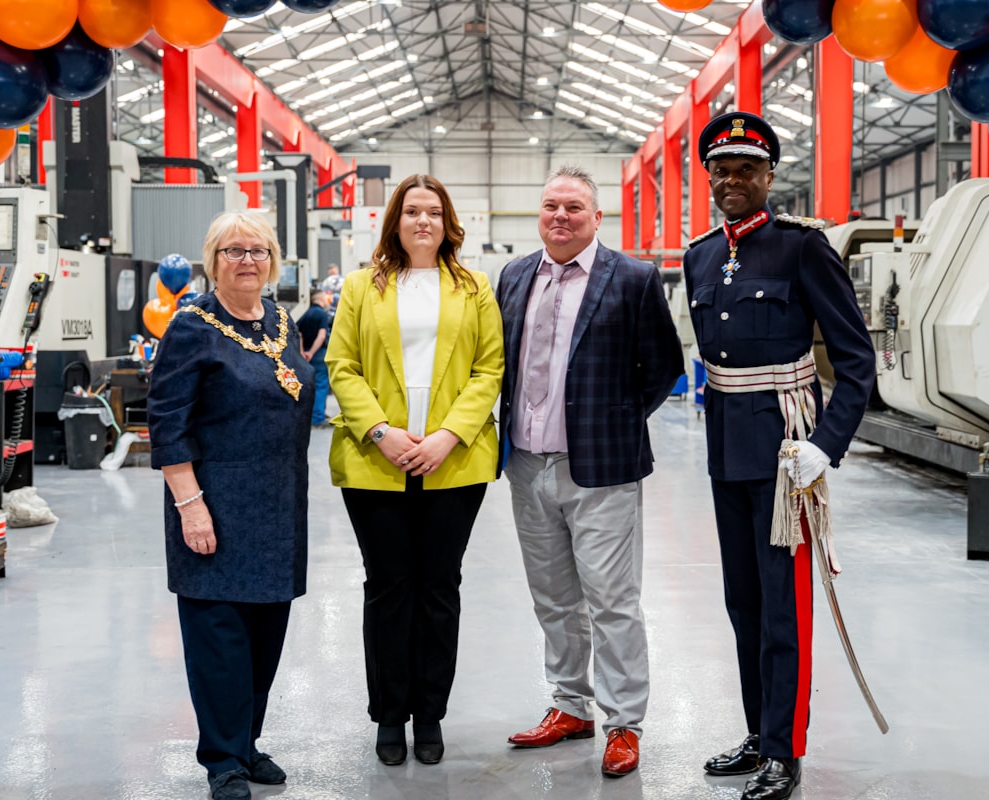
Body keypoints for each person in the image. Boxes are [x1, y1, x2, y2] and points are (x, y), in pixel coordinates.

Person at [682, 112, 875, 800]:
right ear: (708, 177)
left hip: (787, 454)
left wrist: (826, 447)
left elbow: (857, 361)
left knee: (783, 610)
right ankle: (761, 733)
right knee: (743, 604)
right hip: (725, 452)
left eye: (746, 169)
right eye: (721, 169)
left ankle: (786, 752)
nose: (732, 180)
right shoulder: (700, 255)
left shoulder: (802, 248)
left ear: (769, 177)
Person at [496, 165, 683, 778]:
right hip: (527, 465)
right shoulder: (515, 275)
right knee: (553, 598)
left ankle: (624, 721)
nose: (561, 217)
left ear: (596, 218)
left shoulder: (631, 278)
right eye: (551, 205)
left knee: (612, 601)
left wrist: (613, 422)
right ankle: (569, 705)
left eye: (574, 207)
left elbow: (661, 368)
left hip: (600, 469)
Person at [326, 174, 503, 767]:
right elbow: (341, 365)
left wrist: (449, 435)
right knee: (388, 588)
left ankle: (429, 715)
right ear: (395, 222)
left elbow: (489, 369)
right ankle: (389, 716)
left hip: (454, 463)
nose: (422, 221)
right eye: (411, 212)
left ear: (448, 222)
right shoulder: (360, 288)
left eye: (432, 211)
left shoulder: (475, 287)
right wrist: (381, 431)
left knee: (438, 588)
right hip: (376, 462)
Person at [147, 211, 315, 800]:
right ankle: (222, 759)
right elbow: (167, 424)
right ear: (211, 260)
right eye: (232, 251)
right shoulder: (191, 327)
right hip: (214, 503)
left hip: (278, 504)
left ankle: (246, 742)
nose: (247, 260)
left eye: (257, 250)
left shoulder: (281, 320)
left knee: (267, 632)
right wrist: (190, 506)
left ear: (272, 260)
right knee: (220, 638)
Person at [297, 288, 333, 427]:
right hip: (318, 354)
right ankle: (317, 418)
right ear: (319, 299)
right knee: (321, 385)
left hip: (303, 353)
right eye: (324, 298)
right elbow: (322, 335)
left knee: (307, 385)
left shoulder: (304, 312)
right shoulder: (322, 314)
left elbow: (299, 334)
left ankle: (311, 415)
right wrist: (312, 352)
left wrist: (302, 351)